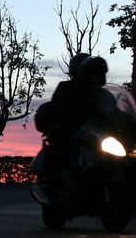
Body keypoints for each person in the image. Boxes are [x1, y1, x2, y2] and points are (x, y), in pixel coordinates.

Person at [35, 54, 108, 190]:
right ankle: (52, 182)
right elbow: (60, 110)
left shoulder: (101, 93)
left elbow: (113, 110)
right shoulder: (65, 88)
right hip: (69, 131)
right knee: (59, 144)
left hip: (94, 133)